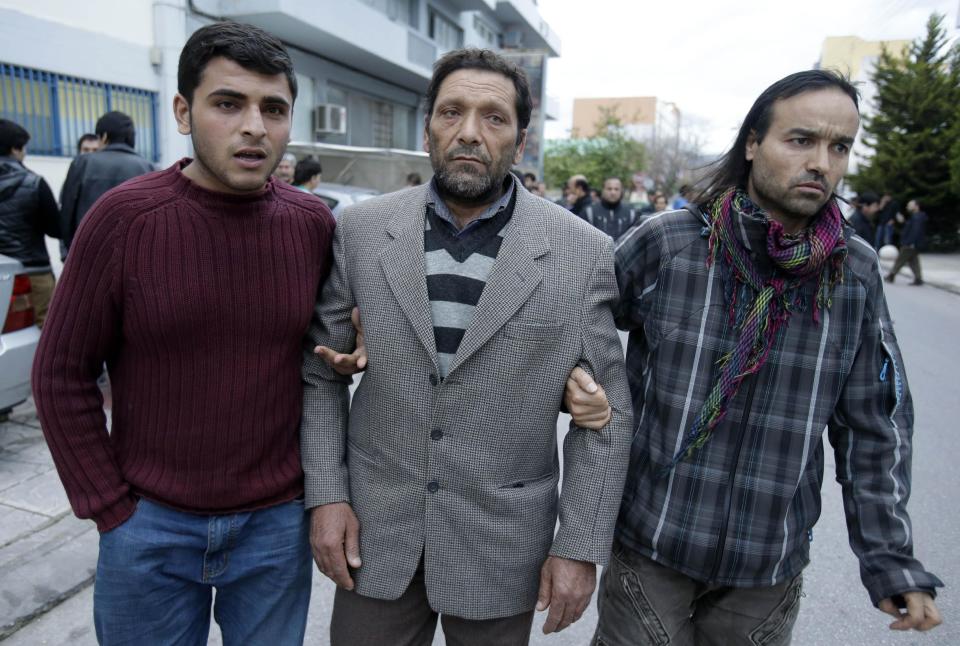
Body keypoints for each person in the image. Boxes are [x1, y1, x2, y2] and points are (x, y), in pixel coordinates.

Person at [578, 69, 942, 645]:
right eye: (801, 140)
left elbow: (875, 425)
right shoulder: (671, 244)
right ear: (752, 143)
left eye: (839, 146)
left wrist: (889, 558)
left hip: (766, 571)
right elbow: (575, 327)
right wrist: (584, 387)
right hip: (653, 547)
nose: (821, 162)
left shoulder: (855, 271)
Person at [300, 47, 633, 646]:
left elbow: (606, 417)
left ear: (521, 140)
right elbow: (321, 373)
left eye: (494, 118)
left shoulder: (580, 252)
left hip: (503, 545)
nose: (470, 133)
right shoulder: (361, 231)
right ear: (427, 127)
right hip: (374, 534)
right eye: (452, 112)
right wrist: (326, 496)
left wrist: (579, 546)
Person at [32, 21, 336, 645]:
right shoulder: (123, 220)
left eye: (273, 109)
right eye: (228, 103)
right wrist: (109, 507)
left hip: (275, 529)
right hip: (149, 528)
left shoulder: (313, 226)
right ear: (182, 110)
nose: (255, 125)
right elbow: (60, 372)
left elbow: (324, 350)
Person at [58, 111, 154, 256]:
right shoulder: (149, 168)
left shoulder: (83, 163)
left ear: (104, 136)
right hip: (134, 256)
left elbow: (66, 214)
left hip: (89, 256)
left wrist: (70, 252)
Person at [0, 119, 60, 326]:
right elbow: (56, 228)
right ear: (15, 149)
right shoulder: (34, 183)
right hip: (34, 273)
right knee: (43, 332)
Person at [886, 198, 927, 285]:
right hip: (912, 243)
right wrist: (903, 222)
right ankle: (918, 278)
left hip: (910, 243)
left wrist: (911, 242)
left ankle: (891, 275)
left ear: (916, 206)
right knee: (913, 261)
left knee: (900, 260)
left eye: (910, 205)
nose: (908, 207)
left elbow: (915, 231)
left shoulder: (917, 217)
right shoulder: (916, 217)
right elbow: (911, 229)